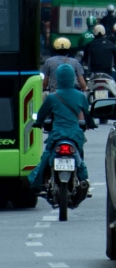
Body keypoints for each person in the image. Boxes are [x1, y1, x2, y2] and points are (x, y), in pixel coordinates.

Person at [28, 63, 94, 198]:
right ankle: (84, 182)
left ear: (58, 78)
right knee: (80, 158)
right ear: (72, 78)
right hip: (75, 134)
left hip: (56, 134)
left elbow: (41, 115)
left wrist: (38, 124)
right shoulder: (80, 96)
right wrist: (91, 124)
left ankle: (39, 182)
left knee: (46, 157)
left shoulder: (52, 97)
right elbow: (87, 116)